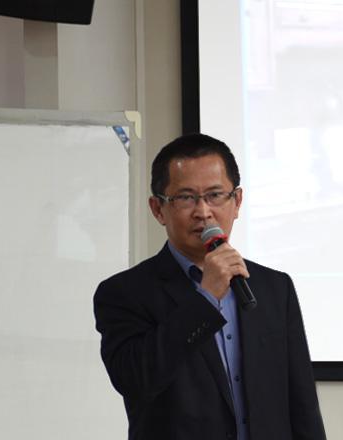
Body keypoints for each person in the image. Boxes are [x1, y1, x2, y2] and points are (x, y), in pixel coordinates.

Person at [94, 133, 326, 440]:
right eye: (186, 197)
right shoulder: (123, 293)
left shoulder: (274, 287)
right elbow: (135, 380)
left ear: (237, 202)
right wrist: (205, 299)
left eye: (215, 195)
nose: (203, 211)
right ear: (158, 209)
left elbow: (302, 402)